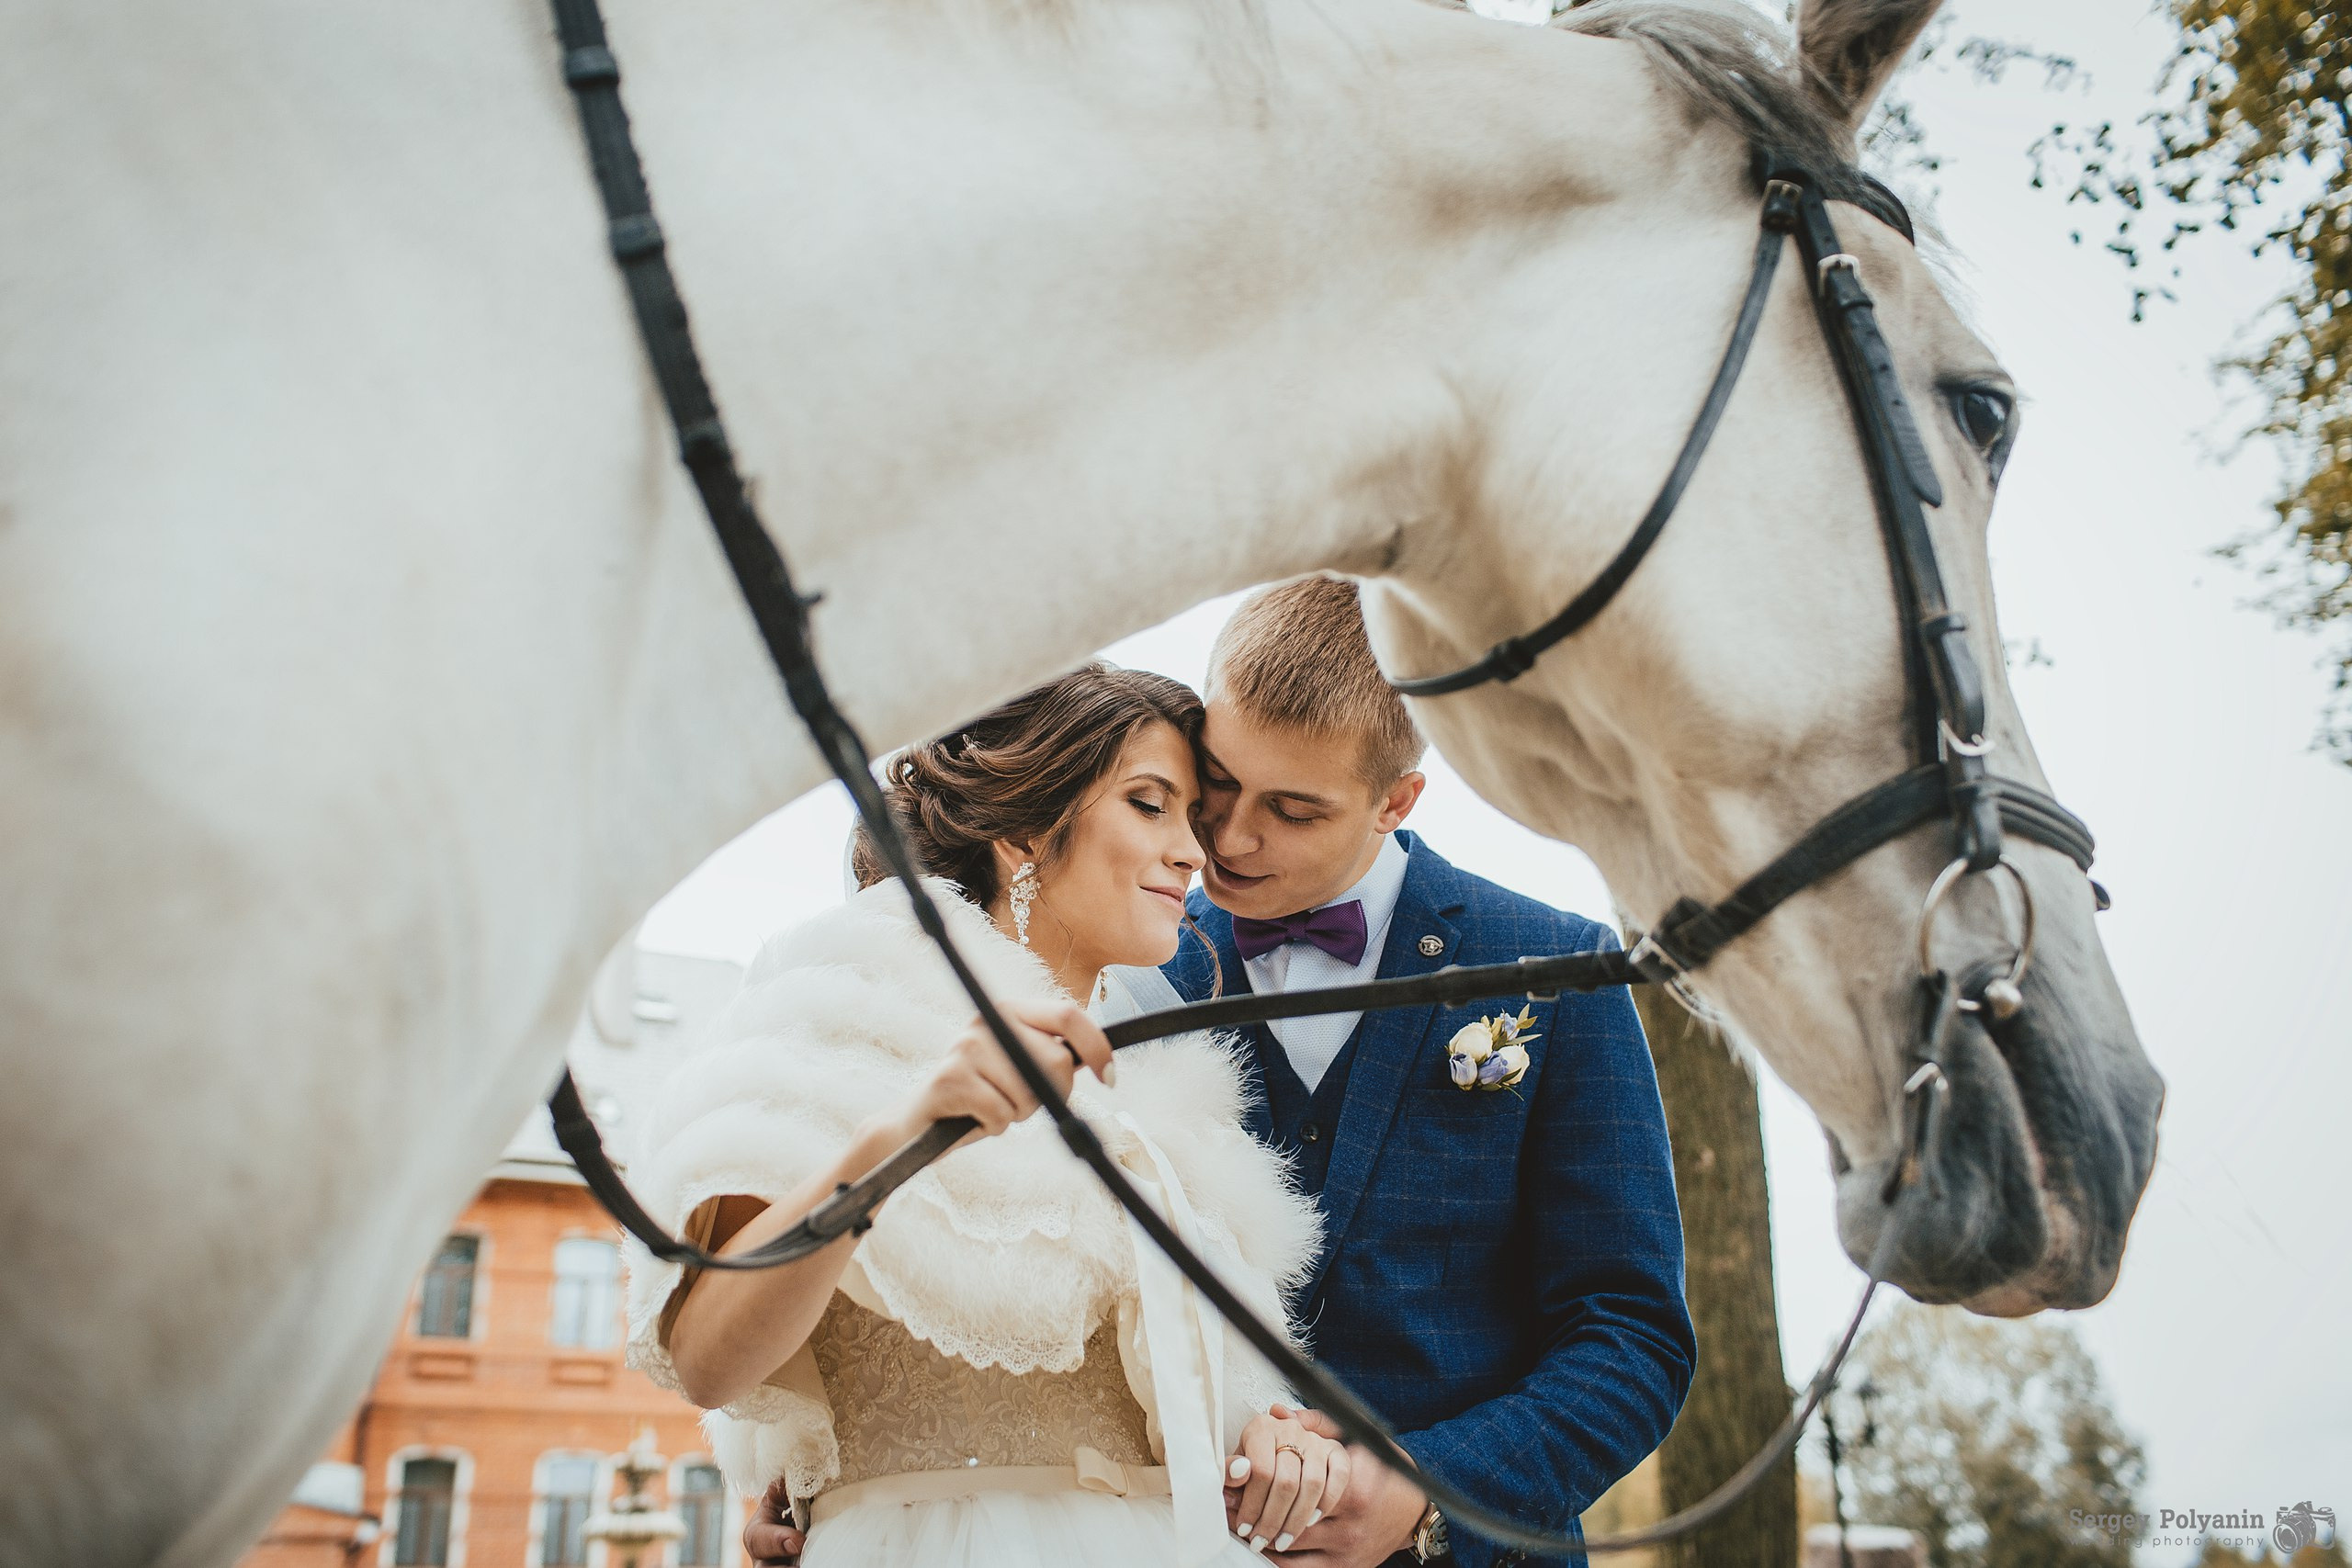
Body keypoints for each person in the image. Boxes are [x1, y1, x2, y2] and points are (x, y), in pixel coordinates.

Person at [627, 664, 1335, 1568]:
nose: (1192, 851)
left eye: (1192, 817)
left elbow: (1198, 1412)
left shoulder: (1168, 1114)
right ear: (1024, 832)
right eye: (1150, 804)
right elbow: (707, 1363)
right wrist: (901, 1139)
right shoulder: (844, 1004)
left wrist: (1277, 1444)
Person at [1167, 576, 1693, 1568]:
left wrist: (1426, 1493)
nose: (1229, 838)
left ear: (1395, 801)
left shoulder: (1558, 970)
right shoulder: (1130, 967)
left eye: (1293, 810)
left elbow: (1631, 1338)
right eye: (1219, 781)